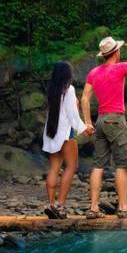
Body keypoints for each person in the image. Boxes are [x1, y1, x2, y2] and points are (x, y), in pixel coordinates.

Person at [81, 35, 127, 218]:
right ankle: (123, 208)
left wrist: (87, 122)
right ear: (116, 52)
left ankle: (93, 209)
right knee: (122, 164)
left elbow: (85, 98)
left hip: (100, 121)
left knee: (98, 165)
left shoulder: (94, 72)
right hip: (116, 120)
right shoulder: (120, 68)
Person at [41, 61, 84, 219]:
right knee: (72, 166)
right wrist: (85, 128)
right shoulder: (69, 89)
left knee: (54, 167)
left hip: (51, 132)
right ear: (67, 75)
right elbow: (72, 115)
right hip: (65, 132)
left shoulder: (51, 90)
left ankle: (51, 204)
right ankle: (61, 205)